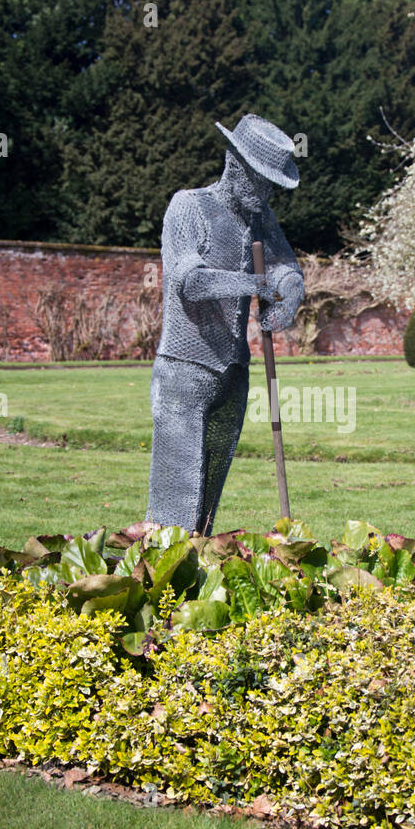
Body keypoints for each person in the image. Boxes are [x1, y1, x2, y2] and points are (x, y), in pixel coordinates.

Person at [146, 114, 304, 533]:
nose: (267, 193)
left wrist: (289, 296)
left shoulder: (260, 219)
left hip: (233, 372)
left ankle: (200, 560)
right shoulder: (189, 206)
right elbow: (190, 281)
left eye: (272, 186)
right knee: (176, 496)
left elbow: (287, 269)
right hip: (185, 369)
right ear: (235, 165)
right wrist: (253, 283)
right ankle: (162, 564)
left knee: (207, 500)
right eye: (261, 181)